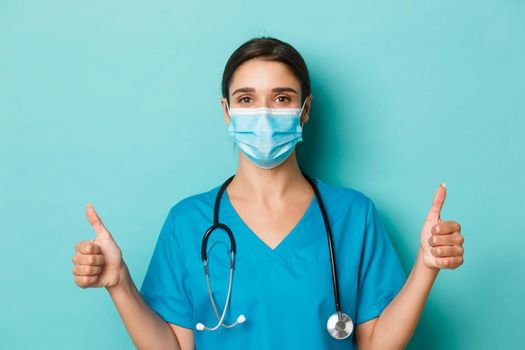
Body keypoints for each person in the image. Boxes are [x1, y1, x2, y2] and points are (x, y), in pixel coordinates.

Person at [71, 37, 465, 350]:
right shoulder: (187, 222)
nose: (263, 114)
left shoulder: (353, 216)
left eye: (281, 98)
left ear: (304, 109)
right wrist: (119, 283)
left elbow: (377, 344)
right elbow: (173, 347)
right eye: (246, 99)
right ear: (226, 111)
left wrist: (426, 268)